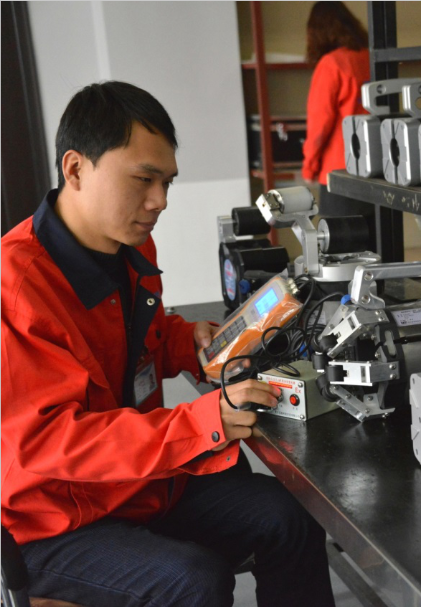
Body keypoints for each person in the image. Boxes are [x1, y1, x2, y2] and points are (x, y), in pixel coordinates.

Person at [1, 81, 335, 607]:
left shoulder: (130, 245)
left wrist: (187, 342)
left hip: (135, 486)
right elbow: (50, 442)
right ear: (76, 169)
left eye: (166, 182)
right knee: (192, 580)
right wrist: (202, 423)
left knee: (289, 516)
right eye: (143, 179)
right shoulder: (16, 288)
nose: (159, 201)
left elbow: (132, 342)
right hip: (55, 521)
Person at [302, 2, 375, 223]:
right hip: (377, 168)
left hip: (339, 172)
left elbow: (320, 124)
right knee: (378, 239)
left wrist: (309, 167)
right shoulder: (371, 58)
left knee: (341, 241)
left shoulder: (331, 64)